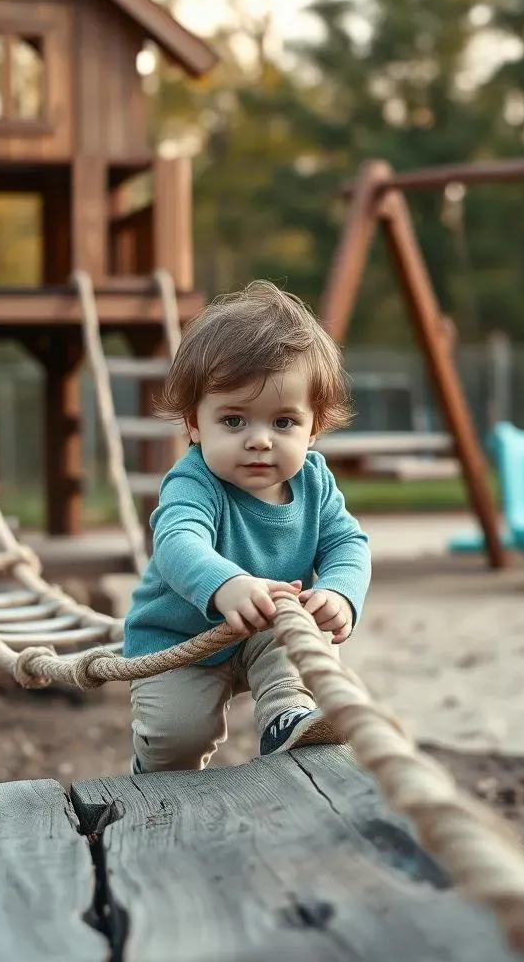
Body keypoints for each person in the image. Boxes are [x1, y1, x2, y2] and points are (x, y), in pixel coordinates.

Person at [122, 280, 371, 773]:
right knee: (178, 738)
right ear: (195, 424)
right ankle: (151, 764)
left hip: (267, 629)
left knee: (298, 649)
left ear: (313, 427)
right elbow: (176, 541)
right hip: (181, 641)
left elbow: (348, 542)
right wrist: (226, 584)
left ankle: (289, 719)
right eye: (234, 421)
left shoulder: (315, 481)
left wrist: (341, 593)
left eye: (283, 423)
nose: (259, 440)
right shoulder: (195, 482)